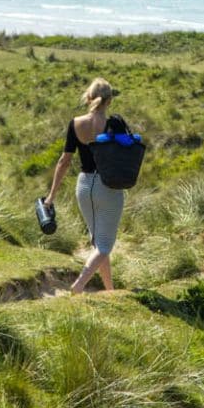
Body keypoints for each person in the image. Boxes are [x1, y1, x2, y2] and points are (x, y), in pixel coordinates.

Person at [44, 77, 124, 294]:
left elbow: (64, 161)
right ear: (109, 100)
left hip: (84, 185)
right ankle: (78, 286)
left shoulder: (75, 123)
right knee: (105, 245)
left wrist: (51, 196)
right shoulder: (114, 124)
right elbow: (127, 153)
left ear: (89, 97)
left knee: (99, 243)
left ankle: (110, 291)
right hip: (108, 187)